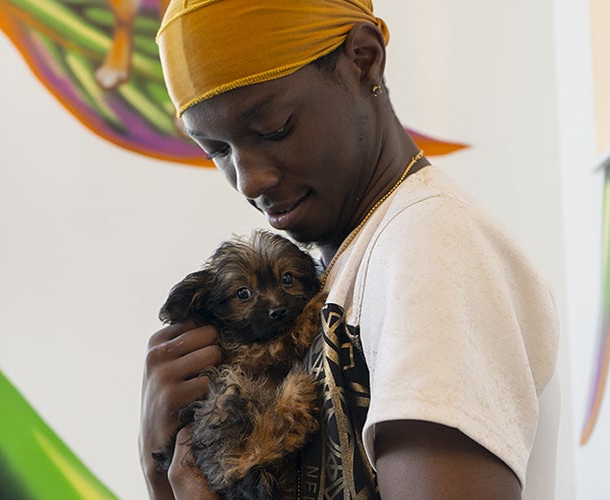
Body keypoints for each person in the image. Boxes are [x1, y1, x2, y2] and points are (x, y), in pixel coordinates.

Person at [140, 1, 559, 498]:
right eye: (218, 150)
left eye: (274, 128)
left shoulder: (429, 245)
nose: (249, 180)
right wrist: (162, 464)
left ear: (363, 59)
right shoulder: (339, 271)